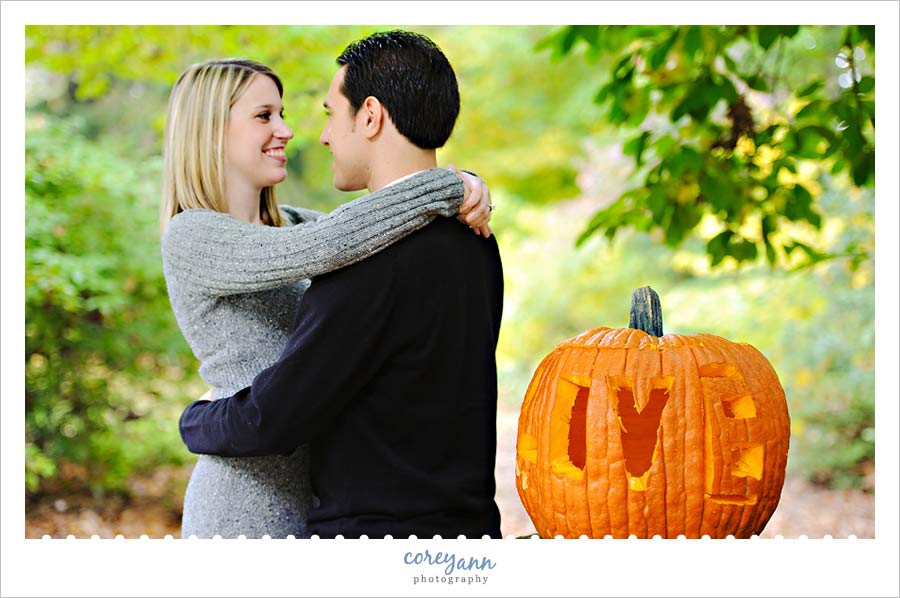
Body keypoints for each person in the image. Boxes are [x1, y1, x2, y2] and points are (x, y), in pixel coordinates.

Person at [179, 30, 503, 539]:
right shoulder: (477, 239)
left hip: (369, 532)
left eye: (329, 113)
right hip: (452, 524)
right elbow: (330, 240)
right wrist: (453, 183)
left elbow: (277, 417)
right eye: (265, 116)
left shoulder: (357, 258)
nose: (315, 134)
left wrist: (192, 421)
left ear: (370, 116)